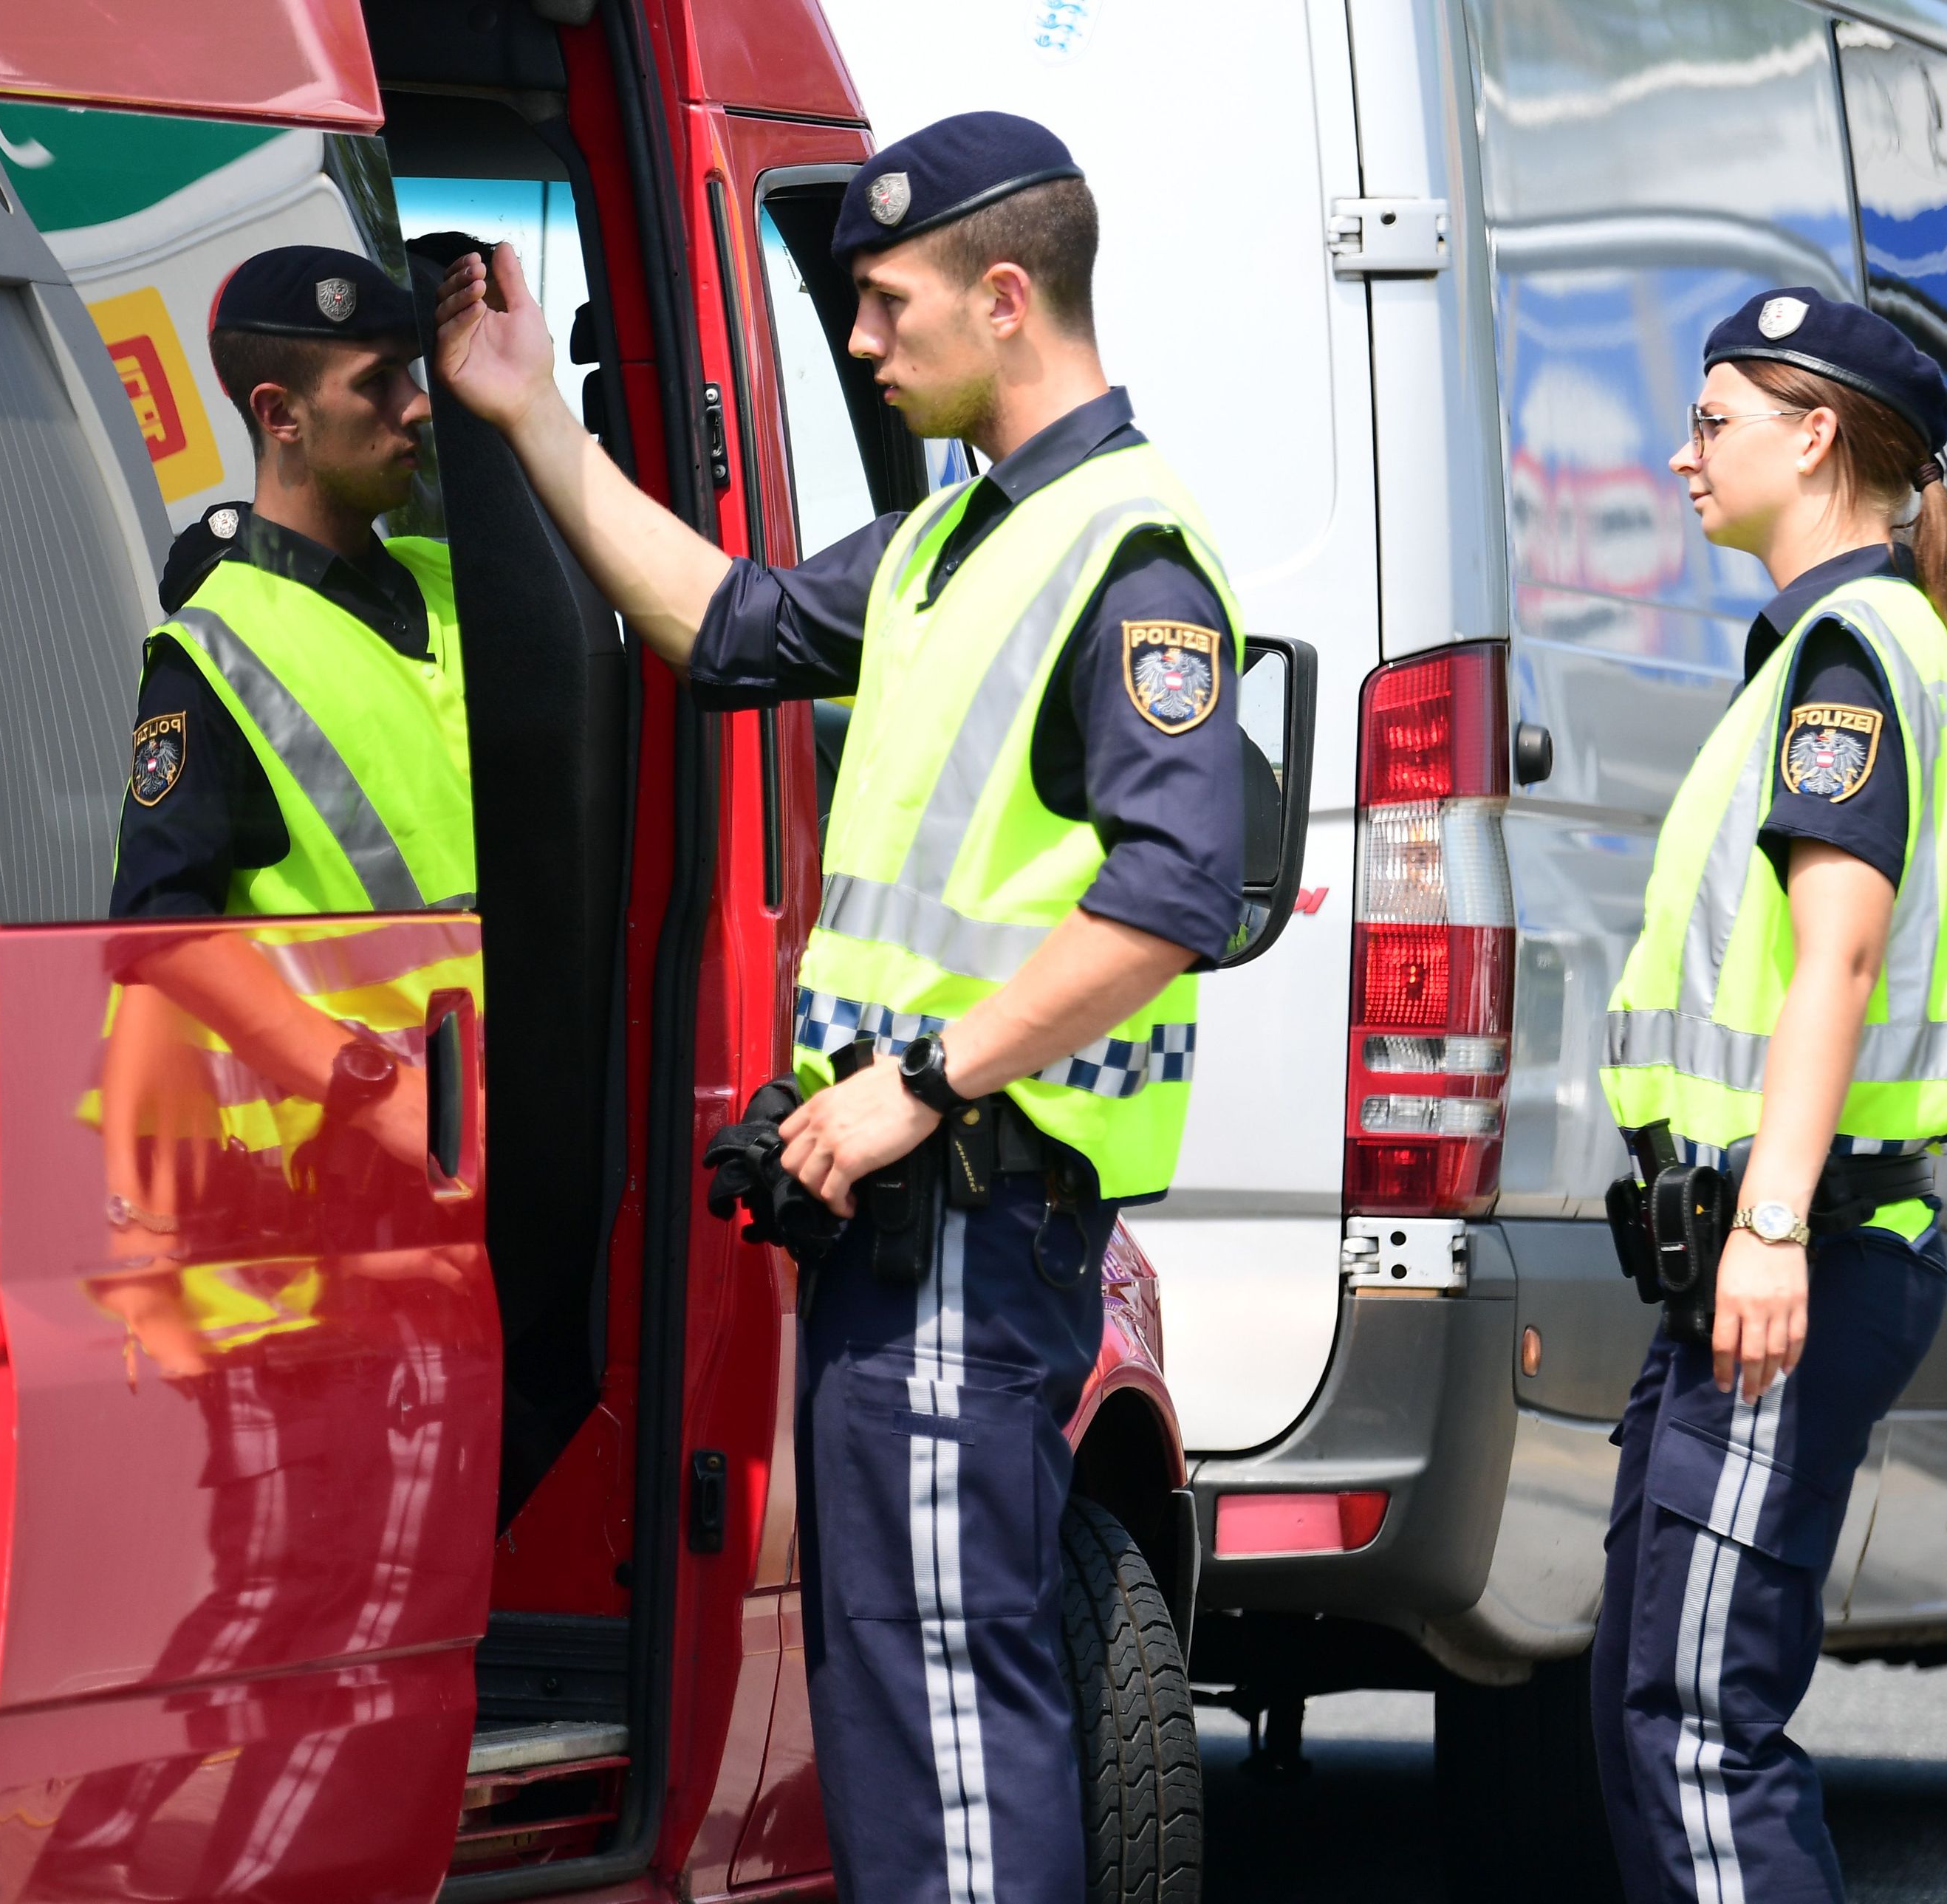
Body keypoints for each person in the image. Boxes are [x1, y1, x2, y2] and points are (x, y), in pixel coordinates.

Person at [434, 112, 1248, 1903]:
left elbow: (1173, 893)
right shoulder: (954, 543)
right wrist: (528, 420)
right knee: (895, 1709)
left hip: (976, 1219)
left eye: (881, 305)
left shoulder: (1129, 560)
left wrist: (919, 1086)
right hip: (898, 1240)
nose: (860, 343)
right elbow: (720, 627)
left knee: (952, 1729)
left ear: (1007, 296)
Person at [1590, 287, 1947, 1903]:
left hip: (1797, 1251)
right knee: (1649, 1701)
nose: (1682, 454)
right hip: (1756, 1261)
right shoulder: (1822, 645)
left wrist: (1765, 1222)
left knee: (1698, 1721)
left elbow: (1831, 957)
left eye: (1711, 421)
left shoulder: (1844, 653)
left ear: (1812, 435)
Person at [109, 242, 473, 923]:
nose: (418, 405)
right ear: (279, 414)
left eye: (412, 372)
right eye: (380, 380)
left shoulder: (455, 574)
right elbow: (158, 949)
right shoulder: (210, 654)